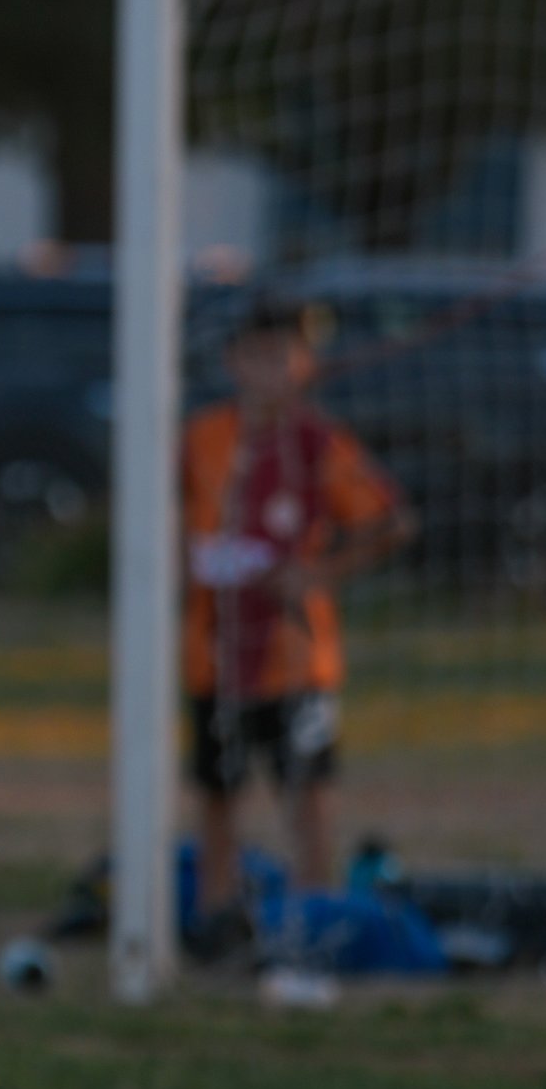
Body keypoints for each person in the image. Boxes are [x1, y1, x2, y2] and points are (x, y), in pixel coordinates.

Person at [182, 290, 413, 958]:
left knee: (307, 793)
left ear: (305, 364)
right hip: (212, 653)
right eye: (256, 356)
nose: (269, 371)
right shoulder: (202, 438)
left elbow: (391, 521)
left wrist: (318, 573)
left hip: (296, 656)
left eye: (283, 357)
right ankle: (215, 924)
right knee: (218, 794)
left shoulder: (318, 443)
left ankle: (317, 920)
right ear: (232, 363)